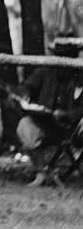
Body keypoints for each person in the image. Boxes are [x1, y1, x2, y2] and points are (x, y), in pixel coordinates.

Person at [16, 38, 83, 187]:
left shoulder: (80, 75)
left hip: (73, 129)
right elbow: (27, 86)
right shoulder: (45, 71)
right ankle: (41, 172)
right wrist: (25, 94)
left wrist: (68, 115)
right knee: (25, 125)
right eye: (60, 56)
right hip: (46, 124)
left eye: (66, 56)